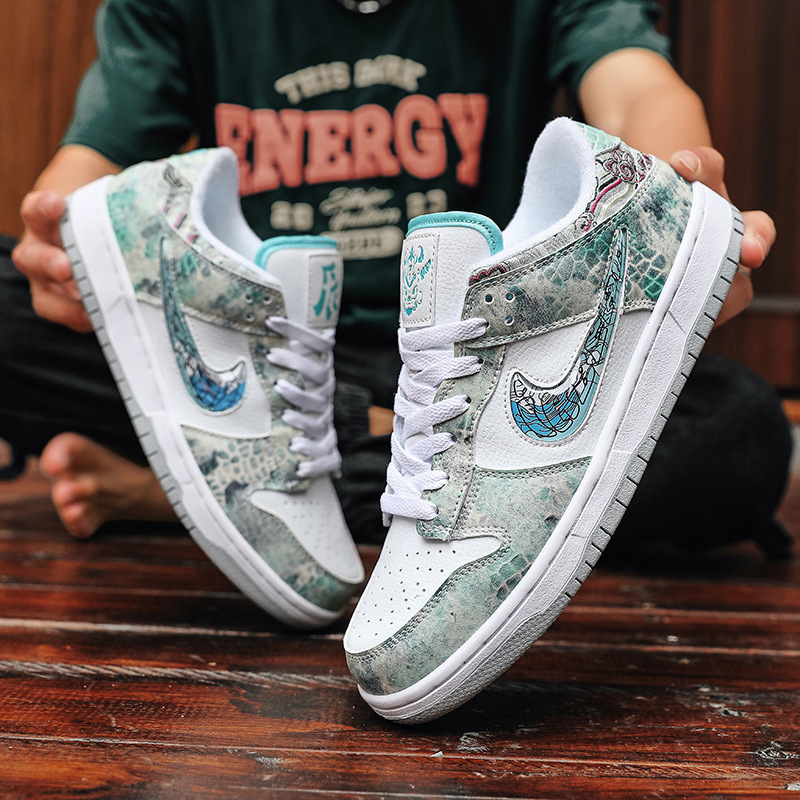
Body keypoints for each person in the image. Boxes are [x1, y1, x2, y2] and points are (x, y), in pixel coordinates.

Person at [4, 0, 791, 556]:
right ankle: (394, 476)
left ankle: (214, 489)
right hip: (264, 358)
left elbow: (637, 86)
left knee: (739, 434)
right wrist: (62, 250)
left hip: (470, 362)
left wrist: (673, 205)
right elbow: (88, 170)